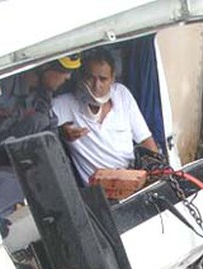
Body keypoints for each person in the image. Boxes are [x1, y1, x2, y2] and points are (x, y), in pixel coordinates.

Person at [53, 48, 158, 185]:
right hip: (100, 193)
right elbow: (38, 130)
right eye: (90, 78)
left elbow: (146, 140)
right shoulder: (63, 104)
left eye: (103, 79)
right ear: (81, 77)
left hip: (132, 180)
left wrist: (158, 170)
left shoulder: (122, 94)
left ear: (112, 78)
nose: (97, 86)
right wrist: (60, 132)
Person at [0, 55, 81, 169]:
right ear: (45, 67)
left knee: (40, 121)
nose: (68, 77)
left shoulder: (43, 92)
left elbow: (50, 126)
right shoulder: (0, 86)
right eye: (64, 71)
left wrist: (61, 163)